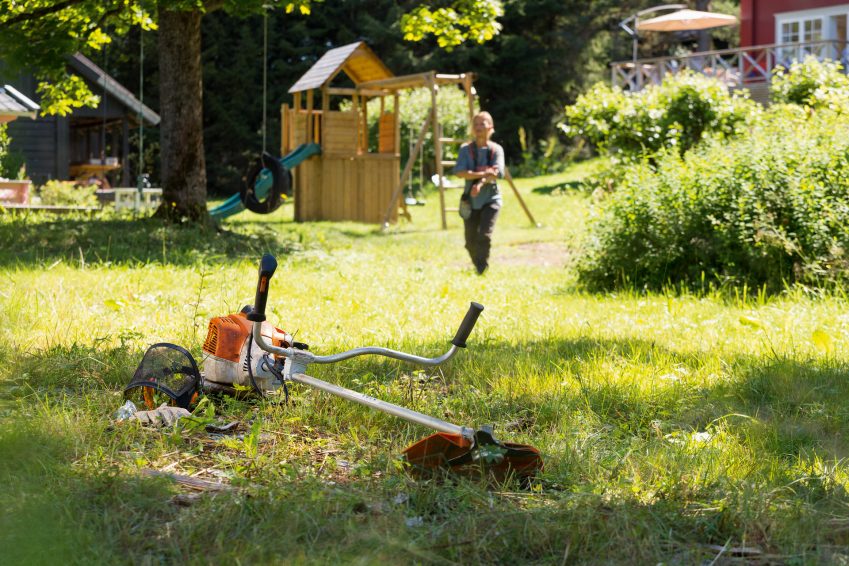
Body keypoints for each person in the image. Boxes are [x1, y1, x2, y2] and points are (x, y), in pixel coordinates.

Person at [453, 111, 505, 275]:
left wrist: (479, 179)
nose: (478, 128)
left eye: (482, 124)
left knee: (484, 235)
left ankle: (481, 269)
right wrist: (483, 173)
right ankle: (479, 264)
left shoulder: (496, 150)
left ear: (490, 127)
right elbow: (460, 172)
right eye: (475, 124)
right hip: (470, 201)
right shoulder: (465, 150)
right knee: (470, 242)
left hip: (491, 199)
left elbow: (497, 173)